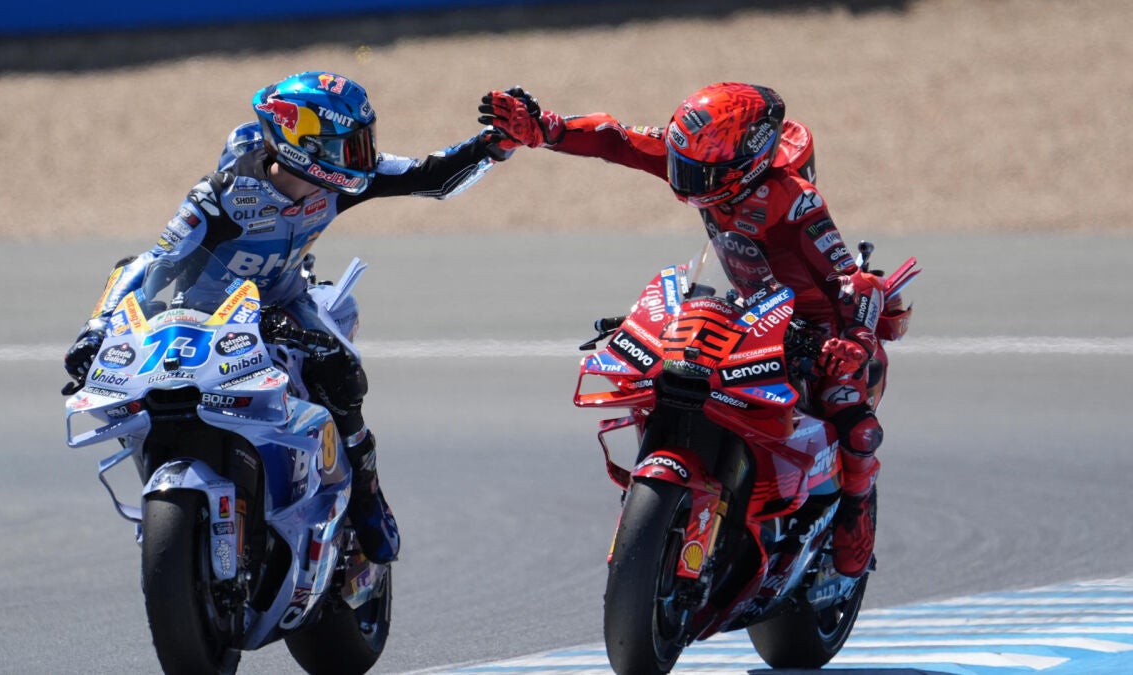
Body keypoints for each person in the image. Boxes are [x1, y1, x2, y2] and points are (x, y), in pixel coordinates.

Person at [64, 70, 512, 564]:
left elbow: (433, 177)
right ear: (302, 145)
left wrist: (495, 144)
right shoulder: (220, 194)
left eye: (364, 142)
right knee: (149, 393)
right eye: (349, 145)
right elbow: (151, 263)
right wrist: (96, 330)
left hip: (286, 305)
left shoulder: (341, 181)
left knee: (340, 370)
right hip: (206, 320)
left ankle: (366, 495)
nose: (363, 157)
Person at [479, 83, 886, 578]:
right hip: (749, 302)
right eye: (679, 164)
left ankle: (856, 516)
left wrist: (855, 341)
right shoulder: (699, 157)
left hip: (818, 330)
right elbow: (615, 139)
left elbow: (854, 281)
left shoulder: (794, 201)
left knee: (854, 422)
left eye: (697, 172)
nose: (682, 177)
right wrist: (546, 129)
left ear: (746, 165)